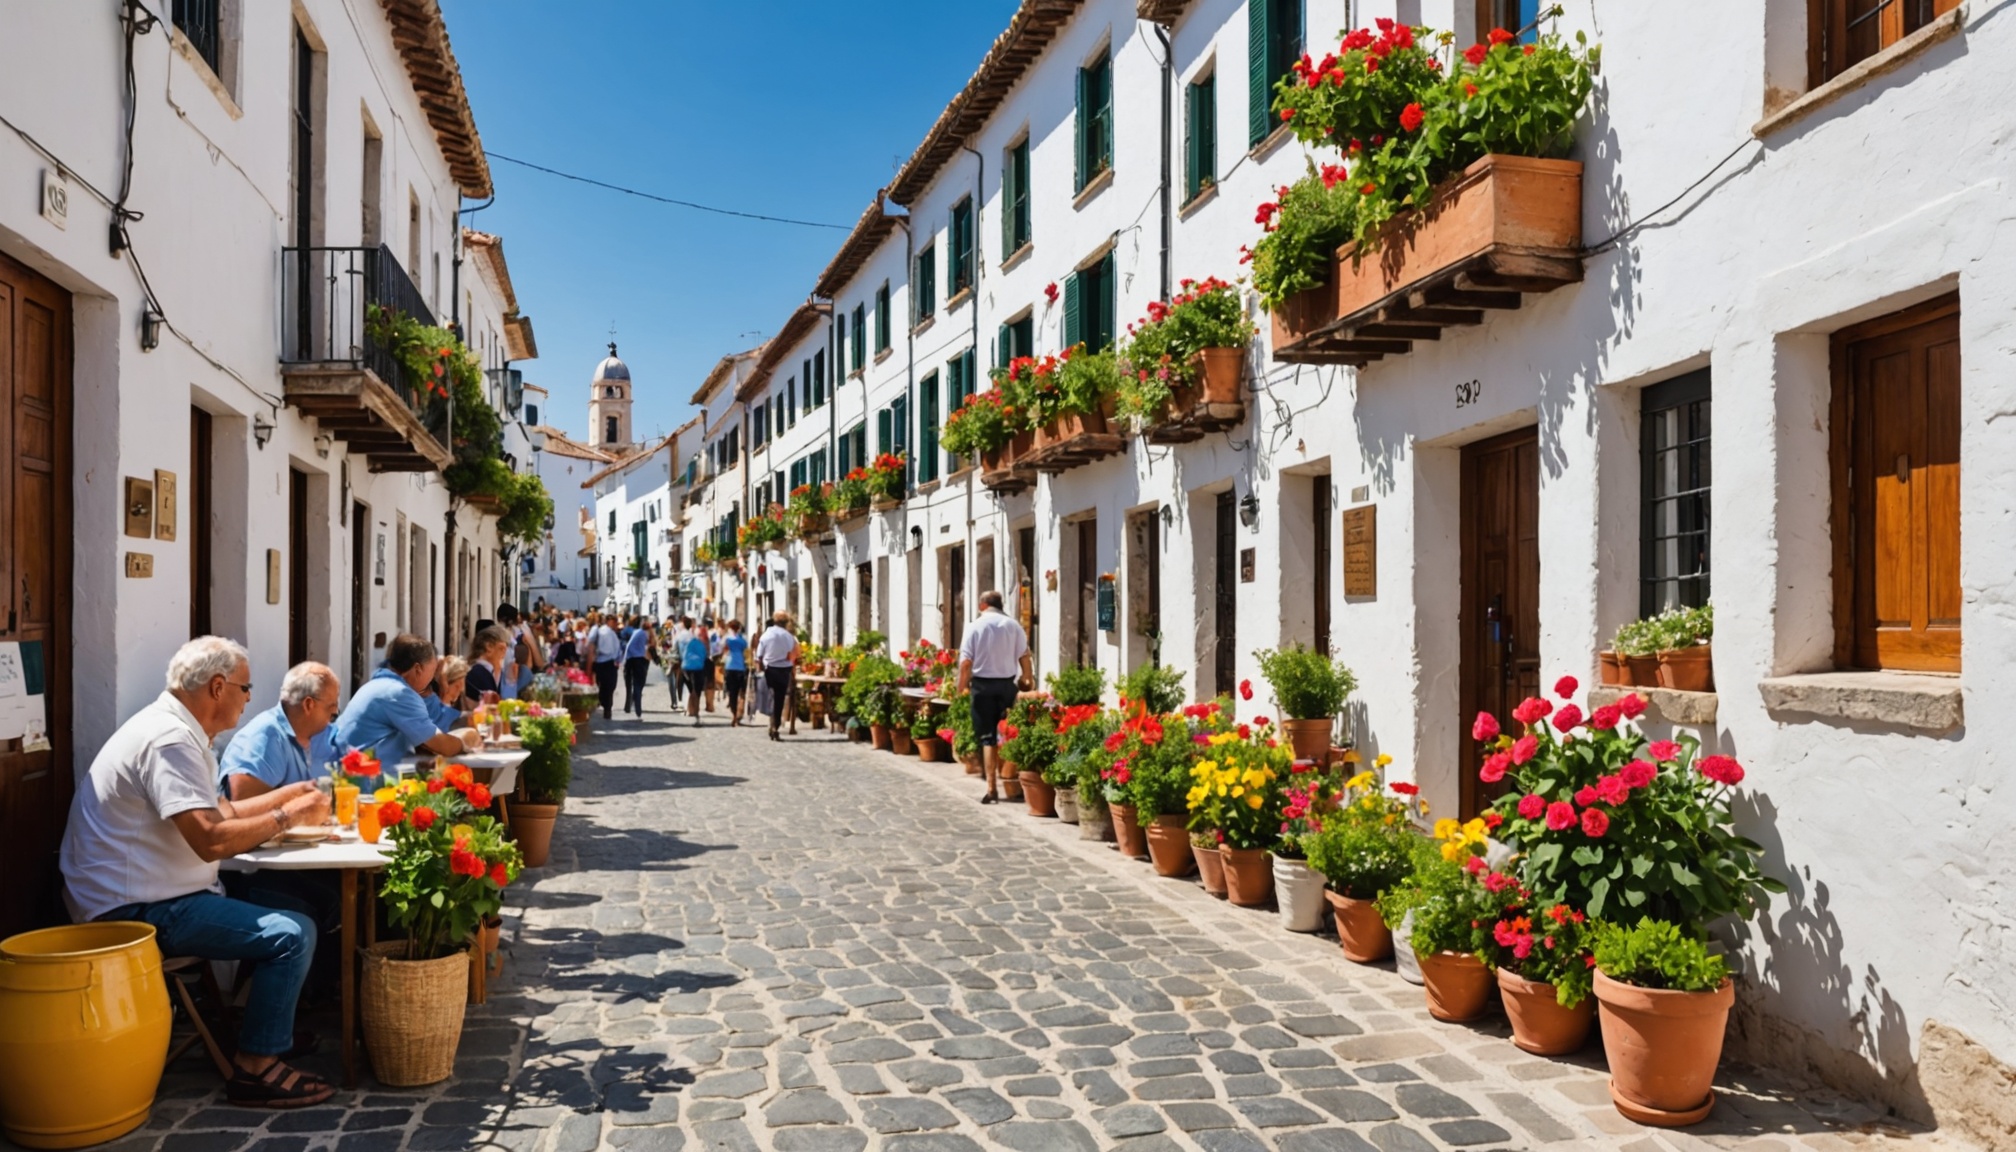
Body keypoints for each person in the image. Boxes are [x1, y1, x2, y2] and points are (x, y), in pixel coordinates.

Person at [59, 637, 336, 1107]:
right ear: (217, 687)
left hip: (162, 891)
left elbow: (222, 810)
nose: (250, 699)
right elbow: (210, 837)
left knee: (300, 904)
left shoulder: (179, 731)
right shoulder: (169, 740)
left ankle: (264, 1027)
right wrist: (289, 817)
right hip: (133, 907)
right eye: (246, 689)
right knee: (292, 932)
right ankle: (255, 1068)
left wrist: (292, 795)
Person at [331, 633, 482, 765]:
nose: (433, 679)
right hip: (363, 778)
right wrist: (466, 742)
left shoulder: (379, 685)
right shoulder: (399, 693)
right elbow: (441, 745)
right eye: (432, 671)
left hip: (352, 768)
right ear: (417, 669)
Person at [217, 663, 341, 801]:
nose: (335, 713)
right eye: (331, 709)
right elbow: (241, 796)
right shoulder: (265, 736)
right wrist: (300, 799)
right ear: (308, 705)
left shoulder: (315, 734)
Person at [957, 590, 1034, 804]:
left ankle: (992, 788)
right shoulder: (1013, 625)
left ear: (982, 606)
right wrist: (1027, 681)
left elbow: (965, 664)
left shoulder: (974, 626)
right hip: (1007, 685)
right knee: (1012, 732)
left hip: (982, 687)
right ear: (1000, 605)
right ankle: (1014, 782)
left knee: (988, 737)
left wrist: (960, 688)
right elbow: (1025, 657)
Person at [753, 613, 800, 742]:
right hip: (784, 669)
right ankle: (775, 725)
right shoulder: (789, 637)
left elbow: (759, 656)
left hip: (769, 669)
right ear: (786, 623)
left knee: (769, 697)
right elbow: (792, 656)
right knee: (779, 699)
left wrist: (759, 669)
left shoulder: (766, 635)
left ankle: (772, 723)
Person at [585, 612, 624, 721]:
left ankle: (605, 706)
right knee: (608, 687)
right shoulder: (604, 631)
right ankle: (606, 707)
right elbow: (595, 648)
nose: (616, 625)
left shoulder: (609, 632)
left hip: (607, 663)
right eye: (614, 622)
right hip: (605, 662)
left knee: (606, 687)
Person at [464, 625, 510, 702]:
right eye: (502, 648)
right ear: (489, 646)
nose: (505, 652)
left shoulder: (492, 671)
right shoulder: (477, 672)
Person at [426, 657, 473, 730]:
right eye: (457, 686)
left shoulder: (457, 702)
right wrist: (445, 698)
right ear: (444, 684)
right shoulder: (431, 704)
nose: (461, 689)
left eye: (463, 683)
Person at [679, 622, 712, 726]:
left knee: (691, 689)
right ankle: (695, 713)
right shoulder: (701, 645)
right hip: (697, 668)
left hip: (686, 668)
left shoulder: (689, 644)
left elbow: (684, 655)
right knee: (697, 691)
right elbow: (704, 655)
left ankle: (691, 710)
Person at [622, 614, 654, 718]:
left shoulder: (635, 632)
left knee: (629, 683)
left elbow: (628, 645)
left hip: (630, 659)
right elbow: (650, 648)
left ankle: (629, 705)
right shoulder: (643, 634)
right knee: (638, 684)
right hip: (639, 659)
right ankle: (638, 708)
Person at [720, 620, 750, 726]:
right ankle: (739, 714)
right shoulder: (743, 639)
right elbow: (746, 650)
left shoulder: (727, 638)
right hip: (740, 666)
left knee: (731, 693)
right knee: (740, 692)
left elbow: (721, 648)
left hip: (730, 665)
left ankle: (733, 715)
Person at [665, 616, 694, 710]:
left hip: (681, 660)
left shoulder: (679, 636)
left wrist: (669, 654)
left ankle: (680, 701)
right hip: (691, 661)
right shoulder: (692, 635)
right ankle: (692, 703)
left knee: (679, 680)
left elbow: (674, 648)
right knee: (690, 682)